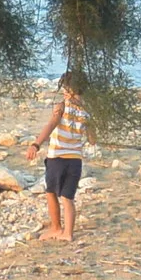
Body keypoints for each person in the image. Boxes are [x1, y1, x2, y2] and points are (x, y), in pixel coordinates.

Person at [24, 70, 90, 243]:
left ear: (68, 88)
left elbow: (51, 125)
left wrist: (36, 144)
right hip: (75, 160)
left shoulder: (62, 106)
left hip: (57, 158)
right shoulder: (86, 112)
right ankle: (68, 233)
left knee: (51, 192)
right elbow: (92, 138)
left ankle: (56, 228)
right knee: (68, 197)